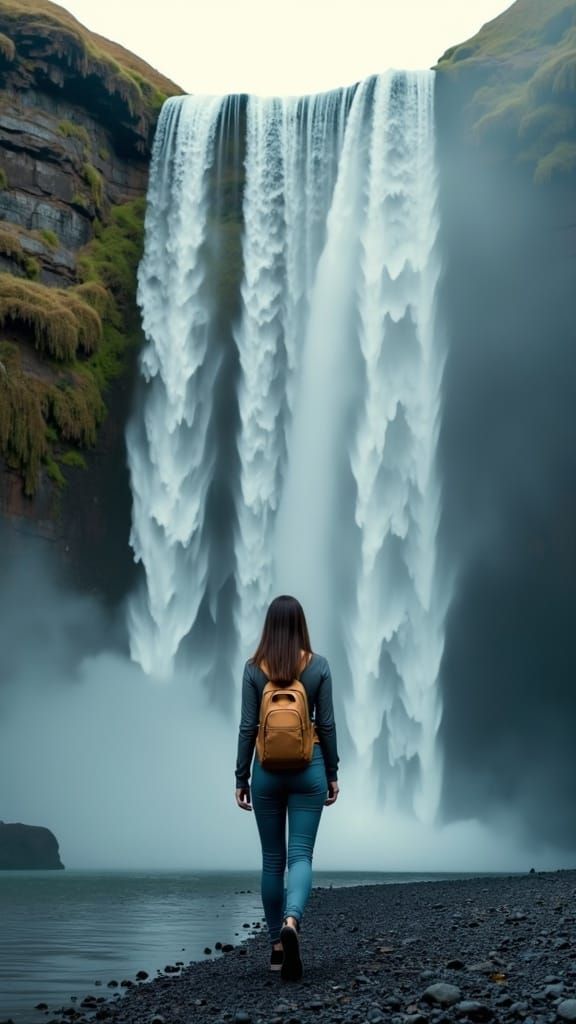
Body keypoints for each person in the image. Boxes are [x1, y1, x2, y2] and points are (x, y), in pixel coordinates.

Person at [235, 594, 340, 981]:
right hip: (308, 768)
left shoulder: (252, 669)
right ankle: (292, 922)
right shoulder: (319, 667)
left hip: (265, 771)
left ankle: (276, 949)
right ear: (300, 625)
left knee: (272, 860)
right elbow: (325, 725)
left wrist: (239, 777)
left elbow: (248, 727)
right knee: (300, 856)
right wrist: (332, 771)